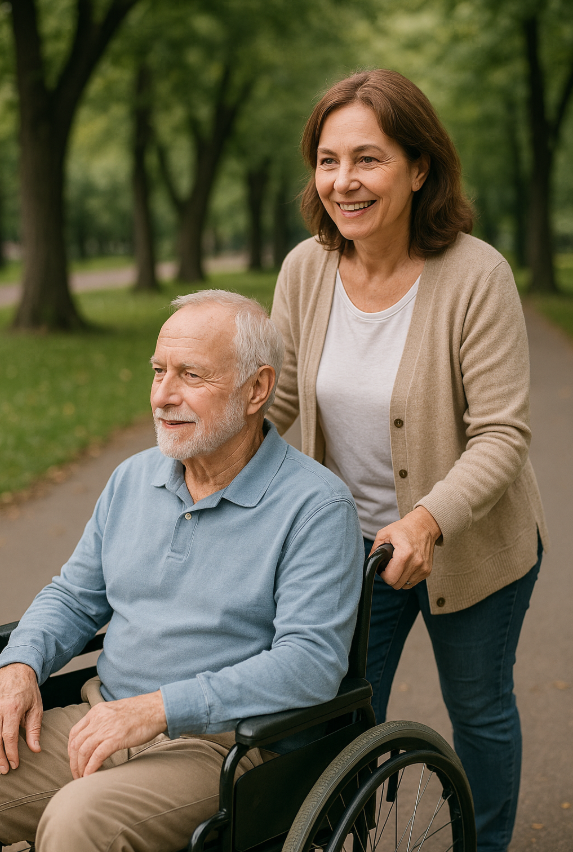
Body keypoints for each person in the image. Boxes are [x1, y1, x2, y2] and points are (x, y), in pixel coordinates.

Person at [267, 69, 548, 852]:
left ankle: (482, 843)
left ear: (419, 167)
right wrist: (198, 451)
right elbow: (279, 400)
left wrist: (424, 519)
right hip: (349, 546)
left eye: (368, 158)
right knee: (335, 716)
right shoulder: (304, 269)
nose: (342, 181)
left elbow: (500, 433)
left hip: (470, 544)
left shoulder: (474, 275)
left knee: (478, 709)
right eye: (327, 160)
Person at [0, 290, 363, 852]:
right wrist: (21, 663)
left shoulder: (315, 508)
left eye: (191, 375)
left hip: (223, 750)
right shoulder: (132, 479)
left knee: (78, 821)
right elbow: (74, 596)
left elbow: (310, 664)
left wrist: (160, 710)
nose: (163, 396)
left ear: (257, 389)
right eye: (158, 371)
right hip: (101, 718)